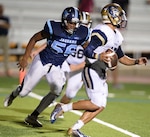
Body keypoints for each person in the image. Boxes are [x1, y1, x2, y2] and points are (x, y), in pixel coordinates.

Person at [50, 3, 148, 137]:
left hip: (101, 71)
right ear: (111, 16)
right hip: (92, 69)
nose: (121, 18)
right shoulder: (102, 31)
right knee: (96, 103)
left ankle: (75, 129)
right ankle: (63, 107)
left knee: (101, 105)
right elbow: (88, 50)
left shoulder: (116, 35)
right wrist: (100, 56)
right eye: (119, 15)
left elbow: (121, 57)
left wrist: (136, 61)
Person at [3, 7, 90, 127]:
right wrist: (25, 57)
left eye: (76, 23)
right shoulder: (54, 28)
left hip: (57, 66)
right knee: (24, 93)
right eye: (71, 23)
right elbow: (34, 38)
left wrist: (96, 57)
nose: (73, 26)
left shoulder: (81, 33)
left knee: (57, 90)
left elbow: (88, 47)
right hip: (42, 60)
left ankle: (33, 117)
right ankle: (14, 94)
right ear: (64, 21)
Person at [0, 4, 11, 76]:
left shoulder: (5, 18)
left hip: (5, 37)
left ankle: (7, 71)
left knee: (6, 55)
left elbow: (8, 26)